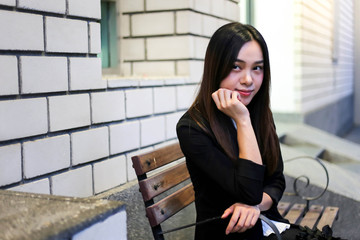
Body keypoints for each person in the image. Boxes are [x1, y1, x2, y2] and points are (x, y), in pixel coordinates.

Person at [176, 22, 290, 239]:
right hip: (226, 233)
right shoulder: (193, 128)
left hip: (265, 224)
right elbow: (250, 192)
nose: (248, 80)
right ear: (216, 68)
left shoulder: (259, 112)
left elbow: (276, 180)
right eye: (236, 66)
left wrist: (255, 207)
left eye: (257, 68)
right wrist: (243, 121)